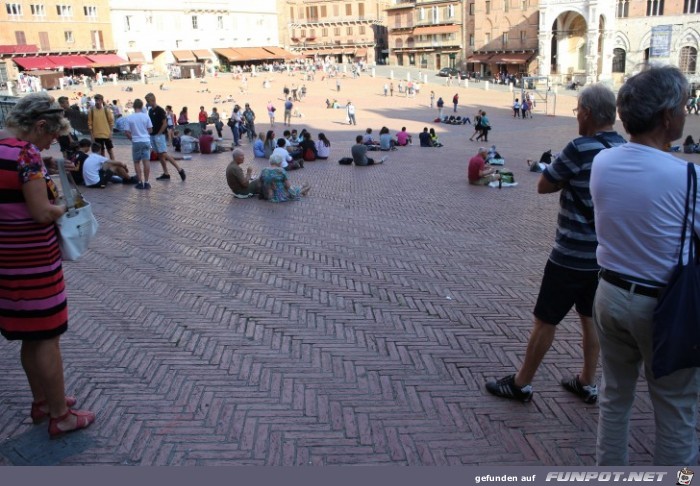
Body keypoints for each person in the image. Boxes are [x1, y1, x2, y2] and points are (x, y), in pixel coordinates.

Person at [485, 84, 626, 406]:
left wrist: (567, 179)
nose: (577, 115)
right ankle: (587, 381)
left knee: (545, 320)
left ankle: (522, 383)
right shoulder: (623, 148)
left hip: (569, 256)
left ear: (587, 113)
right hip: (604, 257)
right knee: (590, 319)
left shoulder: (579, 148)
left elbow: (543, 186)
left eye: (578, 110)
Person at [590, 66, 700, 466]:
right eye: (685, 106)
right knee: (675, 408)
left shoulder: (603, 162)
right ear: (668, 116)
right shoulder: (688, 177)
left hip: (610, 294)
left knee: (614, 398)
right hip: (665, 307)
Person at [0, 92, 95, 438]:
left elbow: (14, 187)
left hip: (7, 261)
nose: (50, 142)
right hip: (34, 262)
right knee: (47, 338)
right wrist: (66, 209)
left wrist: (45, 168)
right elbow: (41, 213)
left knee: (30, 336)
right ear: (39, 125)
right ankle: (60, 415)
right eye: (50, 136)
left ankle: (42, 402)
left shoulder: (11, 151)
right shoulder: (26, 153)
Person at [145, 92, 186, 181]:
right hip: (153, 135)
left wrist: (159, 134)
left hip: (159, 136)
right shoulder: (151, 111)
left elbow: (165, 123)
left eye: (148, 101)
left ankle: (179, 169)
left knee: (164, 154)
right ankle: (166, 173)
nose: (147, 103)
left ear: (152, 100)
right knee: (160, 155)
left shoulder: (160, 110)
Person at [124, 98, 153, 189]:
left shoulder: (129, 117)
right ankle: (147, 182)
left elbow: (127, 132)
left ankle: (140, 181)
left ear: (133, 106)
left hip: (136, 141)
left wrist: (132, 139)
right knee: (146, 161)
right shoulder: (146, 116)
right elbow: (150, 129)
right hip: (145, 141)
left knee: (136, 162)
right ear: (141, 106)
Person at [87, 94, 115, 160]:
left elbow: (111, 122)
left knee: (110, 151)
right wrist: (91, 135)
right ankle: (103, 166)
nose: (97, 102)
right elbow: (89, 124)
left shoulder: (106, 110)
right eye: (96, 100)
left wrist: (111, 132)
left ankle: (114, 165)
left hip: (107, 134)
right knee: (101, 152)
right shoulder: (91, 111)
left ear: (102, 101)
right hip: (97, 135)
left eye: (99, 100)